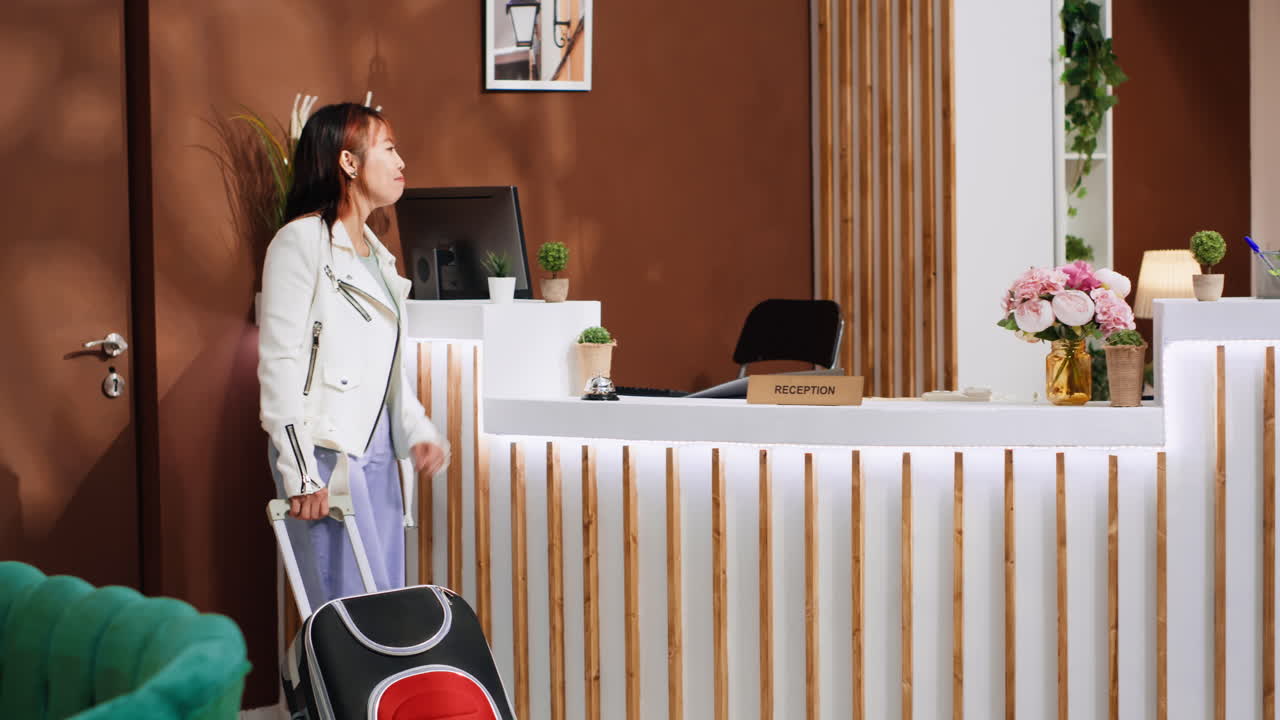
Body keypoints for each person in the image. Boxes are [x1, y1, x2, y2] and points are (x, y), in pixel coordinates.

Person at [258, 102, 448, 607]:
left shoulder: (379, 258)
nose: (400, 161)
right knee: (344, 611)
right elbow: (280, 364)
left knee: (383, 607)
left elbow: (385, 368)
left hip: (379, 456)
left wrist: (417, 431)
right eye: (389, 148)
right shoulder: (300, 242)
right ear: (348, 161)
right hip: (327, 452)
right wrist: (301, 471)